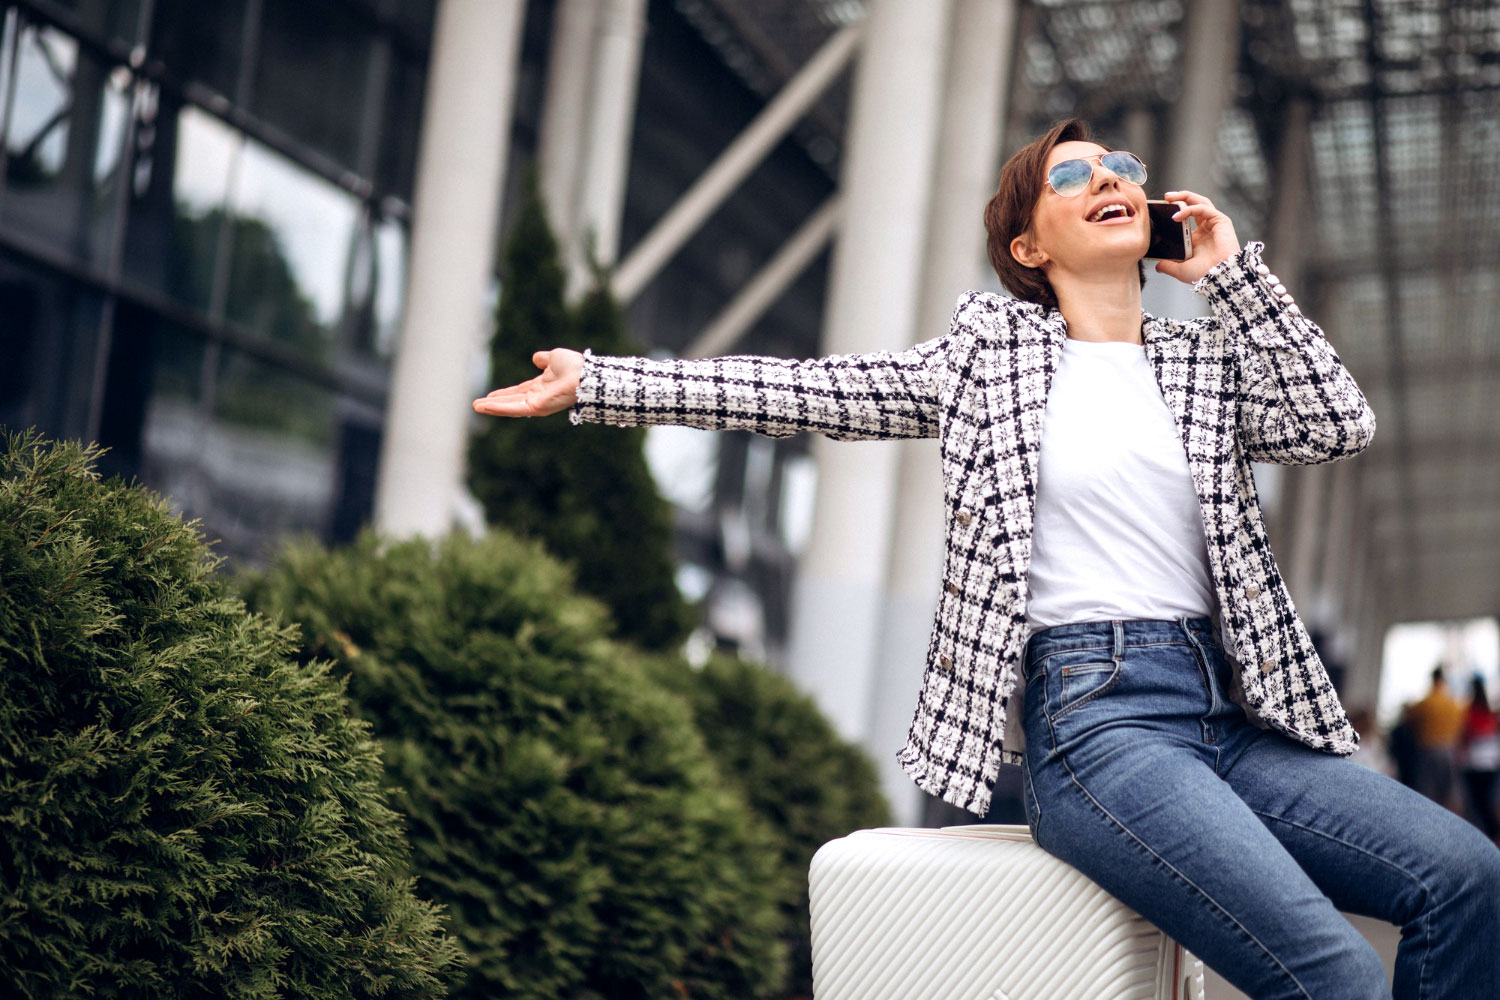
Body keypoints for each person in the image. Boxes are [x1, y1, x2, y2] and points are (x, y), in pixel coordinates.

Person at [474, 118, 1500, 998]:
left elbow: (1337, 423)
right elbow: (811, 391)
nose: (1109, 179)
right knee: (1336, 975)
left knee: (1466, 877)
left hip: (1226, 717)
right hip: (1098, 730)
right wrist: (601, 380)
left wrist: (1235, 277)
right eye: (1071, 175)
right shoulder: (987, 356)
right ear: (1028, 243)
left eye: (1123, 168)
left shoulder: (1204, 363)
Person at [1407, 665, 1466, 808]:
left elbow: (1410, 719)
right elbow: (1461, 727)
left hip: (1428, 749)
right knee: (1450, 792)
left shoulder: (1426, 702)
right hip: (1448, 749)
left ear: (1433, 679)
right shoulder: (1453, 703)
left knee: (1426, 790)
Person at [1459, 674, 1500, 841]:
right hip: (1490, 762)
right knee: (1485, 803)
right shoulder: (1489, 713)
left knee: (1476, 804)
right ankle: (1489, 834)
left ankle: (1482, 836)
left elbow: (1466, 735)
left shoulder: (1471, 712)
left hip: (1475, 763)